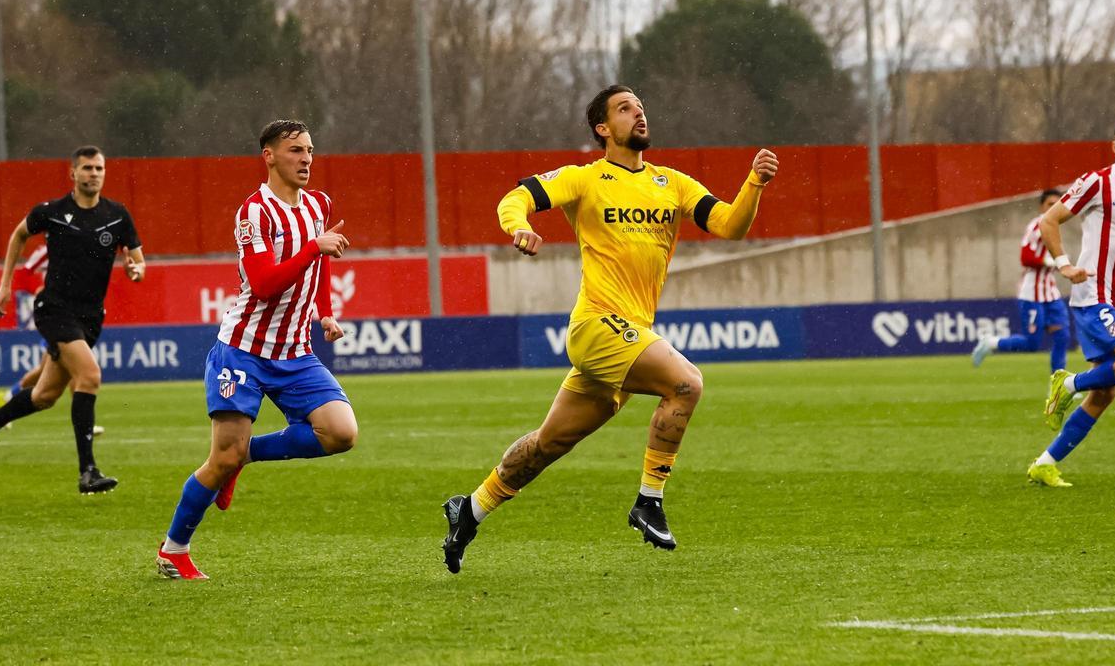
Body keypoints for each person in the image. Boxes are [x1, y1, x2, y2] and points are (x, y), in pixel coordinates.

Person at [440, 85, 778, 573]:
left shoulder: (672, 183)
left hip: (628, 334)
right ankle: (649, 500)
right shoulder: (585, 178)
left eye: (640, 106)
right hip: (597, 325)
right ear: (602, 128)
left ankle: (470, 509)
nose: (638, 113)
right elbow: (517, 197)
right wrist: (518, 226)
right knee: (686, 383)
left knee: (548, 444)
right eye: (624, 108)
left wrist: (754, 183)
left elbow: (730, 225)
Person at [155, 119, 357, 580]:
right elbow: (264, 284)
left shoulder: (319, 205)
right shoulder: (254, 213)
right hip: (242, 350)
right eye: (295, 150)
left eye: (310, 150)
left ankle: (246, 456)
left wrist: (325, 311)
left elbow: (321, 263)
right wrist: (314, 247)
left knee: (341, 433)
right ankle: (174, 549)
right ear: (268, 155)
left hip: (295, 351)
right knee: (221, 457)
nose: (306, 159)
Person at [0, 146, 144, 493]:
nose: (94, 174)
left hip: (90, 317)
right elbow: (19, 235)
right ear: (73, 173)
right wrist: (5, 285)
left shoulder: (117, 215)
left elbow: (139, 262)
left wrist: (136, 271)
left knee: (44, 395)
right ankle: (88, 472)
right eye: (87, 168)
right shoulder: (51, 212)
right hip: (54, 309)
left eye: (99, 168)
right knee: (90, 375)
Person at [1027, 117, 1115, 487]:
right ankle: (1067, 384)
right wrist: (1064, 264)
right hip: (1095, 296)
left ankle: (1044, 463)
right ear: (1114, 146)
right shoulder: (1098, 182)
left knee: (1105, 393)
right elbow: (1049, 221)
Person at [0, 245, 105, 437]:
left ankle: (8, 398)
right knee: (76, 368)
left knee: (43, 371)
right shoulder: (47, 250)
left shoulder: (77, 246)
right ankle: (86, 424)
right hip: (55, 315)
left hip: (71, 315)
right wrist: (38, 290)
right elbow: (24, 274)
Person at [970, 189, 1070, 377]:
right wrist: (1050, 261)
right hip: (1032, 294)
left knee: (1062, 336)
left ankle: (1058, 384)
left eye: (1058, 204)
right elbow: (1025, 257)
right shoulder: (1037, 226)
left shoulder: (1055, 226)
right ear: (1041, 207)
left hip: (1051, 293)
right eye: (1050, 204)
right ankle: (991, 343)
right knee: (1032, 343)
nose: (1054, 208)